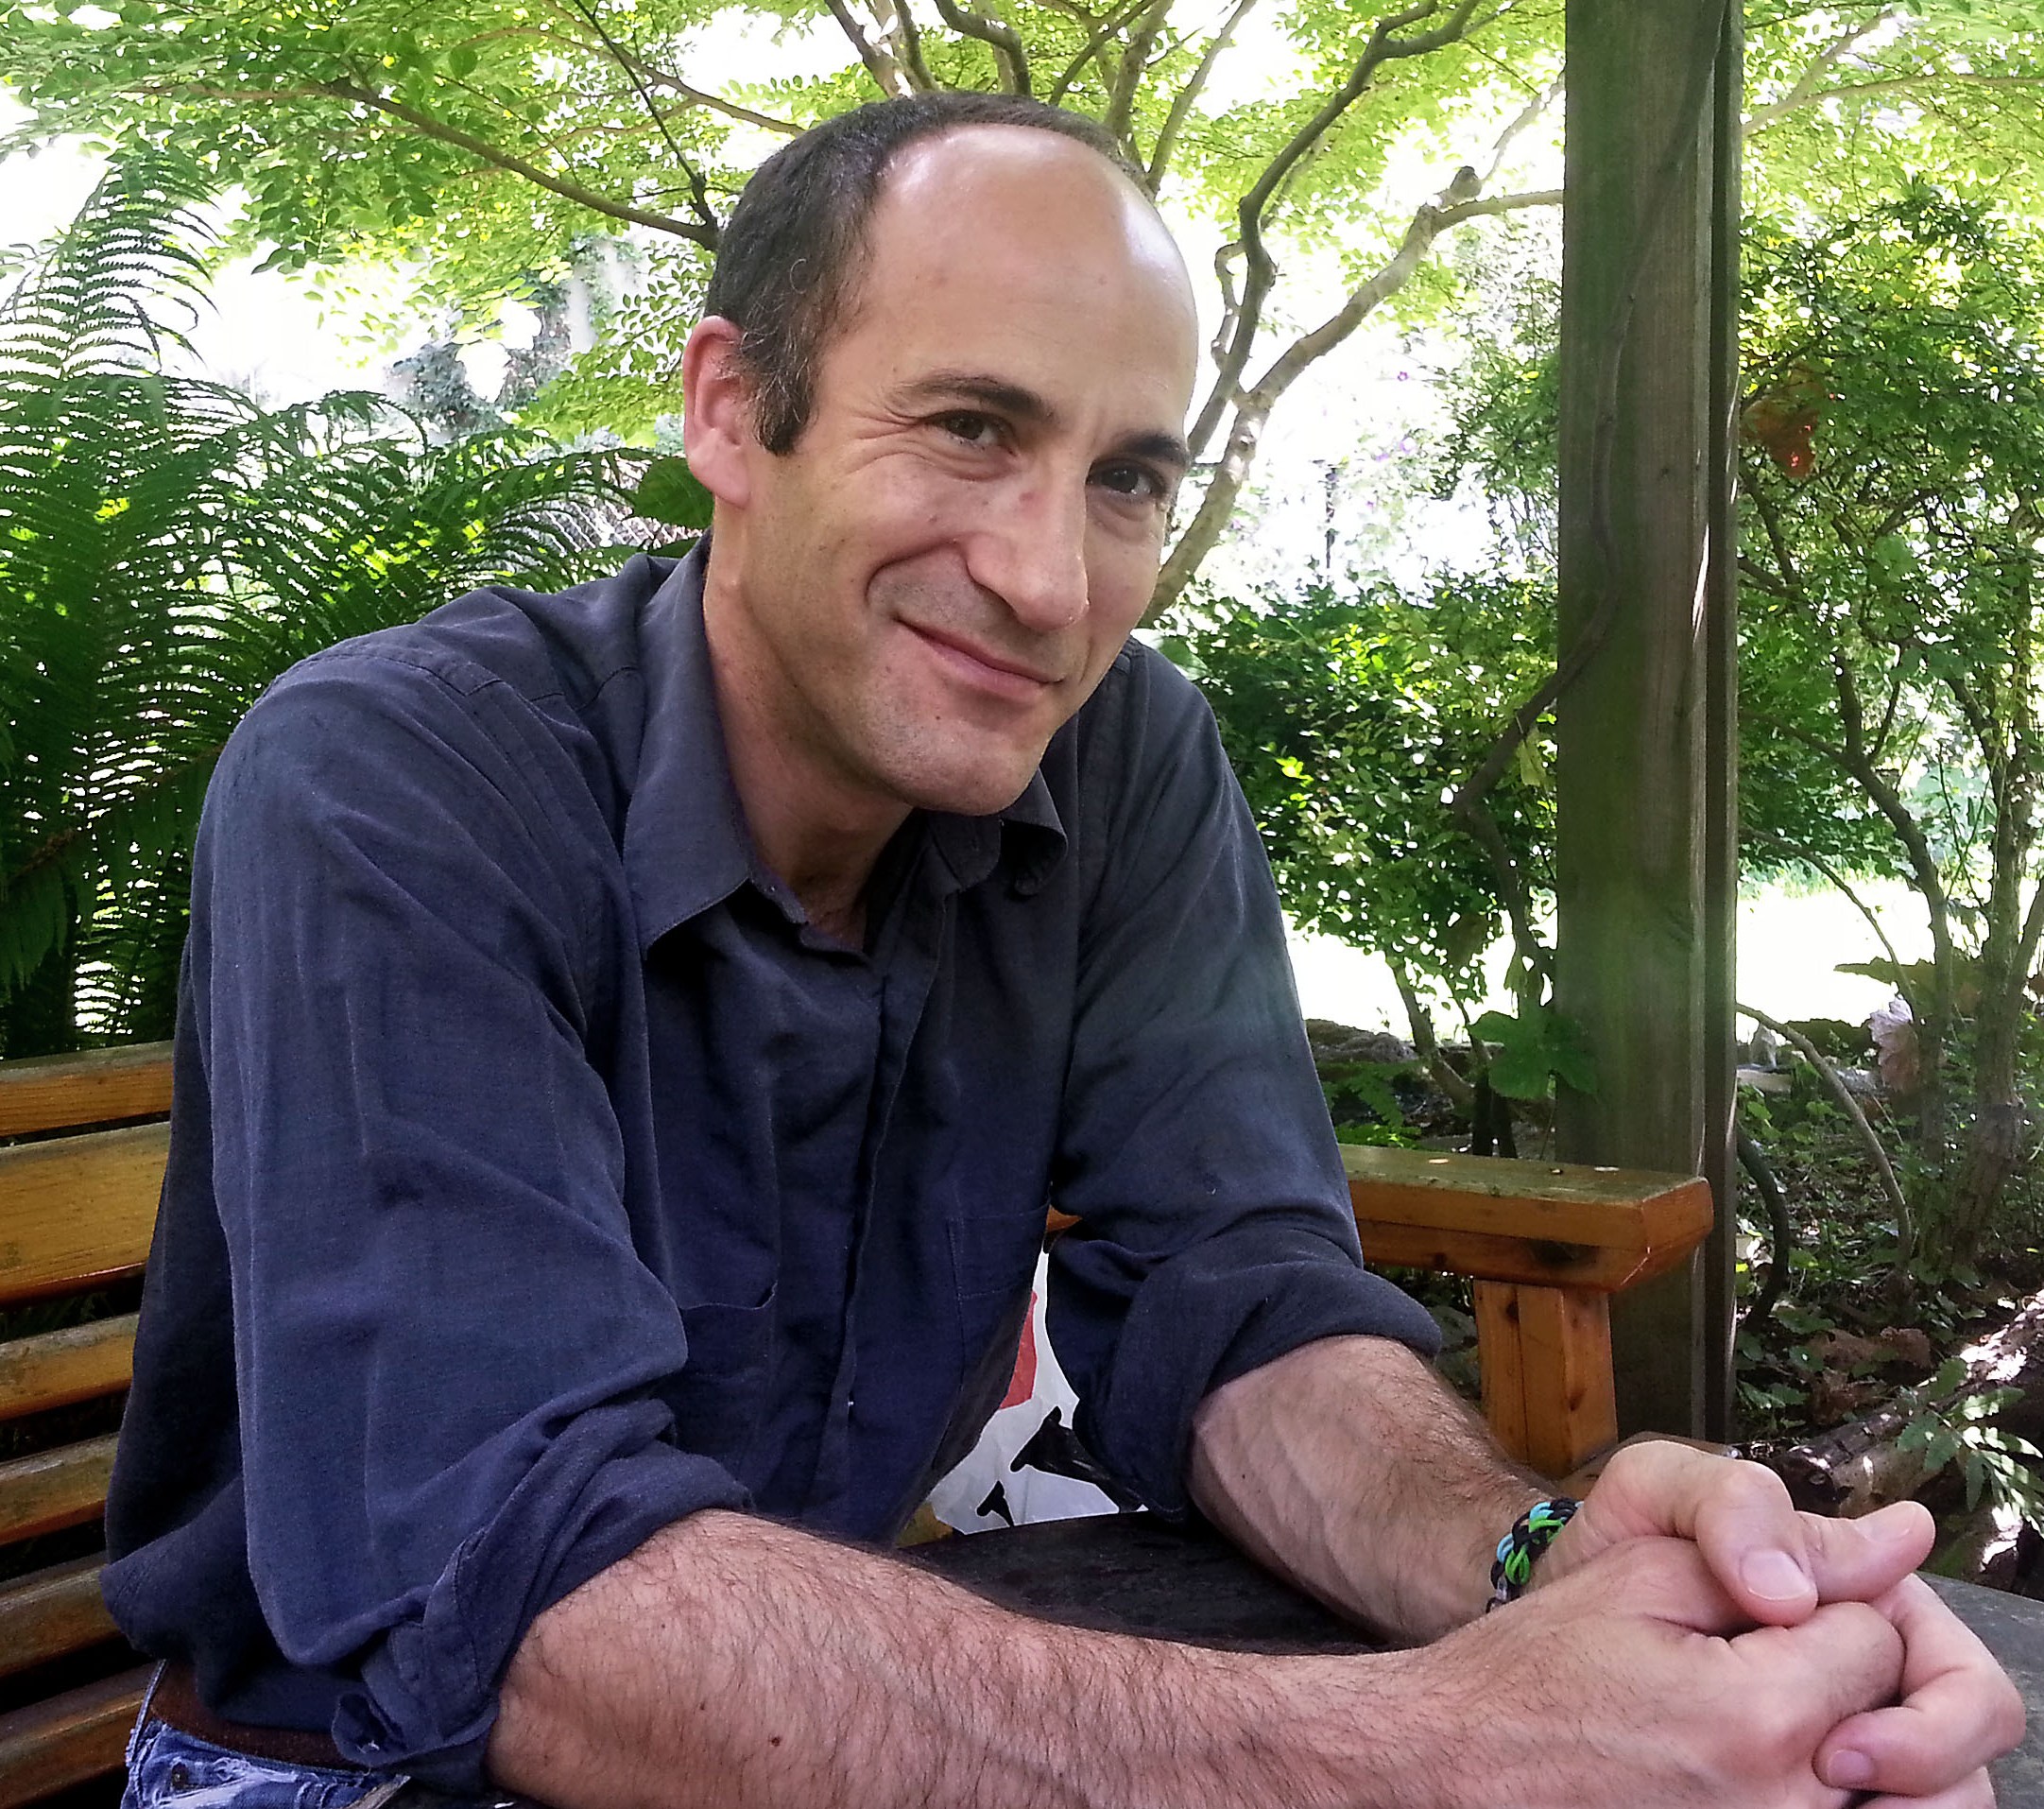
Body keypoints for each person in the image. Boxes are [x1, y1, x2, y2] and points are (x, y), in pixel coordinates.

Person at [105, 93, 2020, 1809]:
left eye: (1125, 478)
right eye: (966, 429)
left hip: (861, 1702)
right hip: (352, 1762)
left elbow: (1233, 1297)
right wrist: (1446, 1749)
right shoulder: (399, 779)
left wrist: (1547, 1569)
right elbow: (508, 1586)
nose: (1047, 580)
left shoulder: (1116, 760)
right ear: (724, 412)